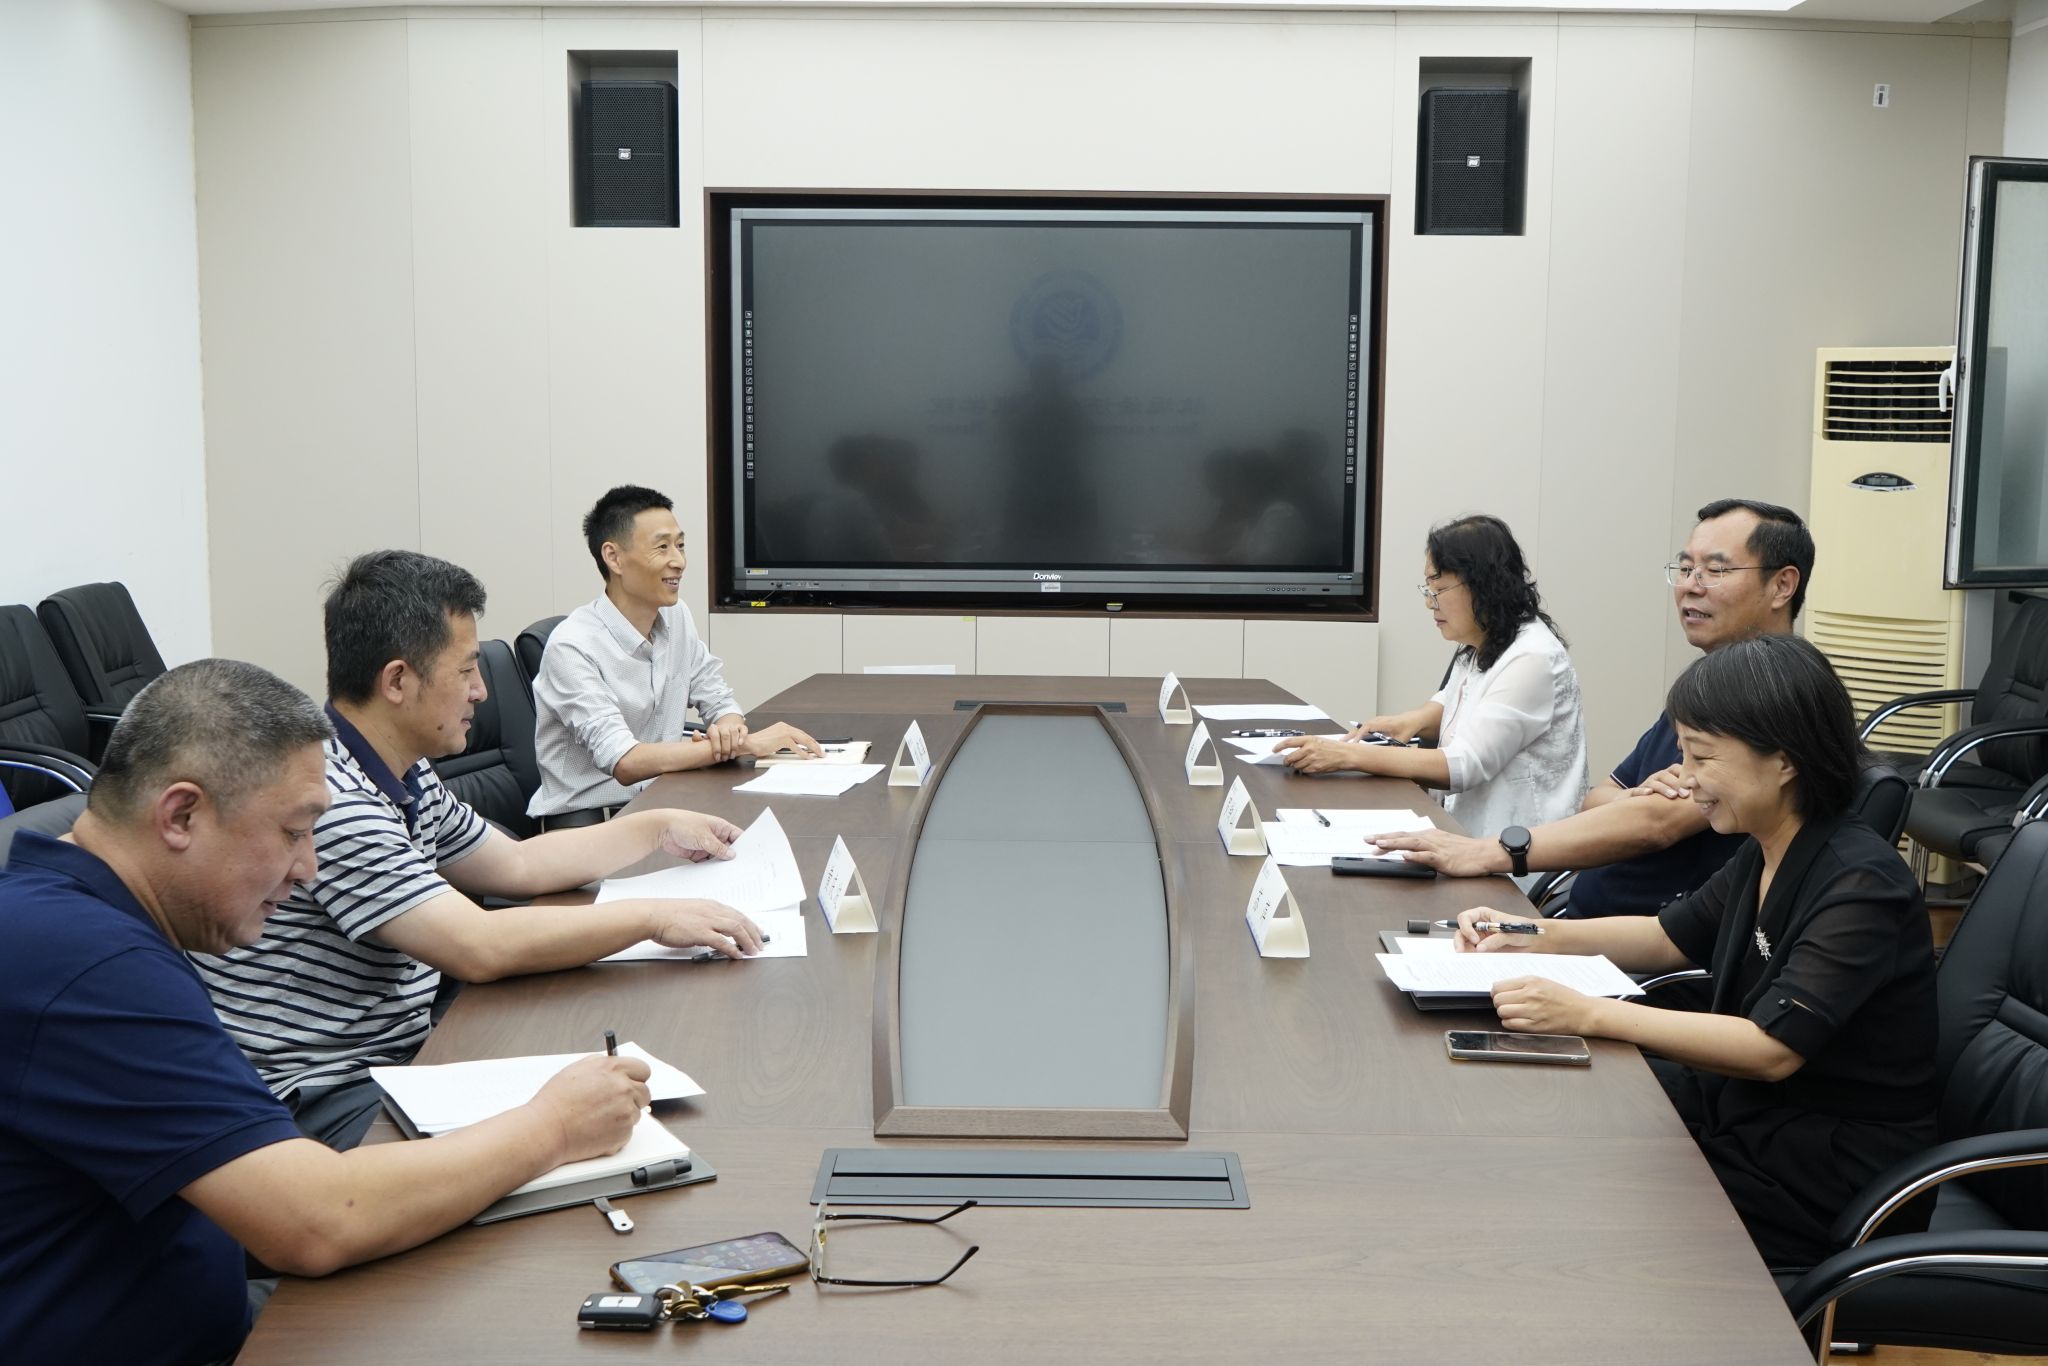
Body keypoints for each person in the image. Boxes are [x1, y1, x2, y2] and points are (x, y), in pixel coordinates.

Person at [0, 660, 656, 1366]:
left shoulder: (76, 916)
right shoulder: (87, 963)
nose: (309, 867)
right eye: (294, 832)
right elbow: (316, 1221)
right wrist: (554, 1126)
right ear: (181, 815)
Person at [194, 551, 764, 1153]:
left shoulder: (401, 771)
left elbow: (517, 864)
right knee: (599, 1137)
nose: (481, 691)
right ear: (397, 681)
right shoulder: (333, 799)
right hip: (328, 1091)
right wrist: (655, 918)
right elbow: (480, 947)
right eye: (466, 670)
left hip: (402, 1051)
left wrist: (656, 827)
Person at [1455, 634, 1936, 1267]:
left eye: (1702, 756)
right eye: (1683, 753)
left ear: (1784, 761)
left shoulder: (1860, 883)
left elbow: (1771, 1050)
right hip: (1749, 1112)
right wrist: (1530, 934)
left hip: (1823, 1169)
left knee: (1579, 1193)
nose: (1683, 779)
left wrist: (1587, 1012)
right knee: (1550, 1115)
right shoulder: (1768, 845)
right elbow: (1666, 936)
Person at [1372, 498, 1814, 916]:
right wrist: (1634, 801)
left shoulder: (1776, 695)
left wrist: (1486, 852)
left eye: (1714, 571)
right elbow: (1598, 797)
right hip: (1586, 914)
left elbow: (1657, 824)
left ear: (1782, 585)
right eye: (1684, 569)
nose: (1689, 587)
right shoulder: (1709, 686)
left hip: (1643, 939)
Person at [1276, 515, 1589, 846]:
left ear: (1484, 585)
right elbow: (1459, 699)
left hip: (1519, 852)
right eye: (1428, 590)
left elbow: (1465, 764)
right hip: (1468, 837)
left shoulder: (1533, 658)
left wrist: (1348, 756)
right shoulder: (1486, 638)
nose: (1429, 602)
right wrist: (1411, 721)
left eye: (1439, 590)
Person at [530, 484, 822, 826]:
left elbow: (717, 699)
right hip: (592, 823)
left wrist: (729, 729)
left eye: (680, 545)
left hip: (665, 804)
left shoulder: (675, 615)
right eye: (662, 547)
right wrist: (740, 746)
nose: (679, 562)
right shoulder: (572, 647)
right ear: (614, 557)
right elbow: (624, 761)